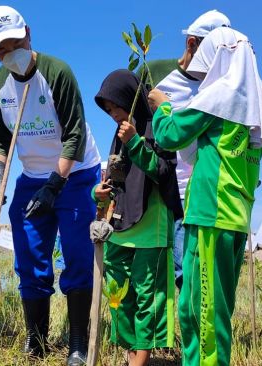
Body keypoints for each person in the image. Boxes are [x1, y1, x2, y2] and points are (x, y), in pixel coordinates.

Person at [0, 6, 102, 364]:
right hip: (31, 178)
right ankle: (36, 340)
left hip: (76, 174)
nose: (10, 54)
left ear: (28, 33)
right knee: (30, 257)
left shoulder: (57, 72)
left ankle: (78, 342)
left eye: (15, 43)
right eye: (1, 50)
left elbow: (75, 135)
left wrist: (55, 184)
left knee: (78, 255)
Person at [149, 27, 262, 366]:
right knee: (195, 306)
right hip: (231, 217)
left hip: (211, 216)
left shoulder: (222, 96)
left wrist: (163, 106)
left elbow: (171, 134)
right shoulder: (256, 105)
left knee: (205, 318)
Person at [93, 70, 183, 366]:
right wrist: (101, 193)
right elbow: (118, 177)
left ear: (130, 99)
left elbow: (164, 172)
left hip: (150, 229)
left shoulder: (157, 127)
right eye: (107, 110)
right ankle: (131, 356)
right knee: (119, 297)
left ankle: (139, 362)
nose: (113, 114)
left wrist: (134, 141)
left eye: (115, 106)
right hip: (119, 226)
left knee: (149, 300)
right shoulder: (120, 134)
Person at [144, 9, 231, 289]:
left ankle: (186, 331)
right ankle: (162, 333)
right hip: (156, 192)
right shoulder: (154, 73)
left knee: (187, 275)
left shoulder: (219, 86)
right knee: (153, 275)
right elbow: (131, 128)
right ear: (192, 44)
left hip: (193, 198)